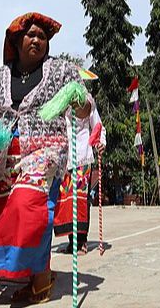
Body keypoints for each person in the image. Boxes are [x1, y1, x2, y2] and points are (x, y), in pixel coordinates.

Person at [0, 12, 93, 303]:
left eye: (43, 36)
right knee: (8, 213)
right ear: (16, 40)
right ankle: (32, 270)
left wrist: (79, 101)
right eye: (31, 34)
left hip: (46, 149)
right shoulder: (0, 76)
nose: (37, 39)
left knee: (30, 206)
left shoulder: (63, 71)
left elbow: (85, 107)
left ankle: (40, 281)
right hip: (5, 155)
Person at [54, 99, 105, 255]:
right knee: (65, 200)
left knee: (80, 199)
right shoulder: (58, 100)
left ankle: (81, 241)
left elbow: (98, 126)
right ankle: (72, 242)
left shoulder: (87, 101)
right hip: (63, 157)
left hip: (82, 154)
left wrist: (100, 142)